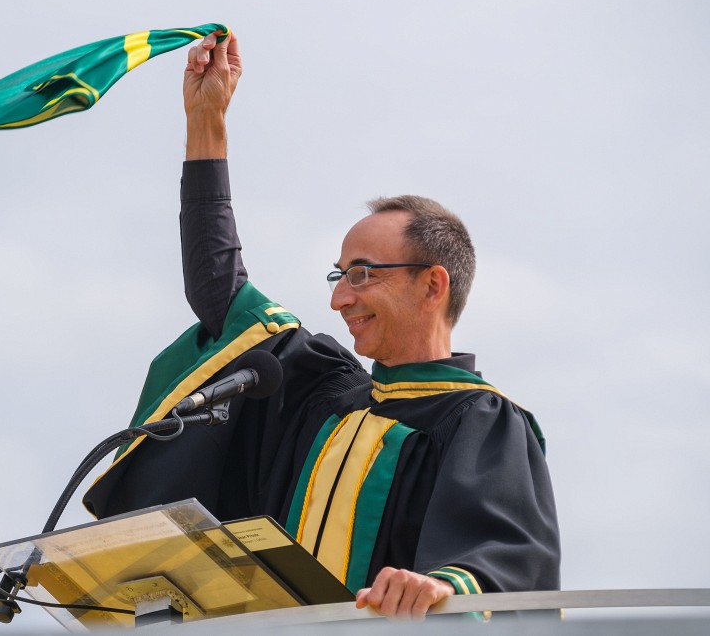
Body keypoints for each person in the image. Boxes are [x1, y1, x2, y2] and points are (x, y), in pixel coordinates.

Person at [83, 30, 560, 620]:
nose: (340, 299)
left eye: (362, 274)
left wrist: (439, 588)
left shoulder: (481, 421)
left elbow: (506, 560)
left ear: (432, 284)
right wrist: (206, 121)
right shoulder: (321, 393)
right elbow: (219, 288)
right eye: (337, 276)